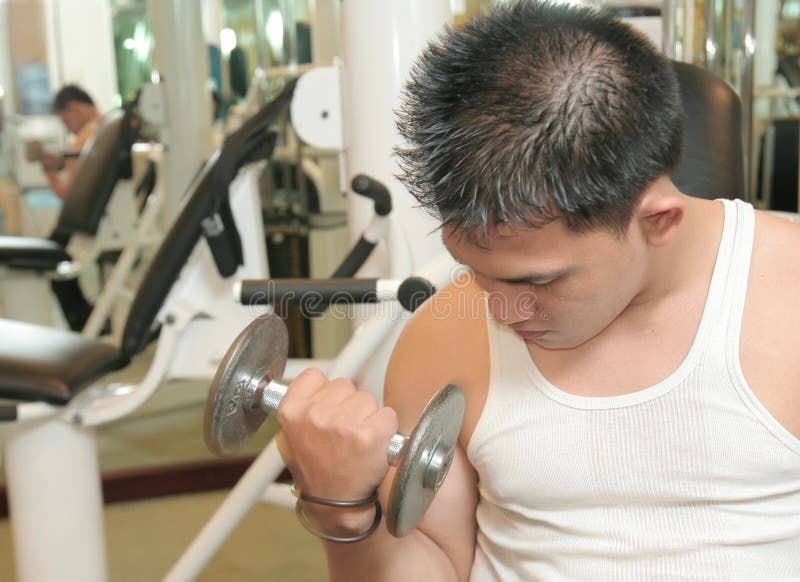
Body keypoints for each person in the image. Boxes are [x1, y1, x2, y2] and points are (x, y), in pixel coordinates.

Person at [276, 1, 800, 580]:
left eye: (538, 280)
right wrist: (342, 509)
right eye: (473, 269)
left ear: (658, 221)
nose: (498, 308)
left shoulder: (789, 296)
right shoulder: (444, 336)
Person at [41, 84, 102, 199]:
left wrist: (50, 173)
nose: (69, 130)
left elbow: (70, 197)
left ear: (73, 107)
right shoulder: (109, 126)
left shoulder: (83, 141)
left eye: (66, 122)